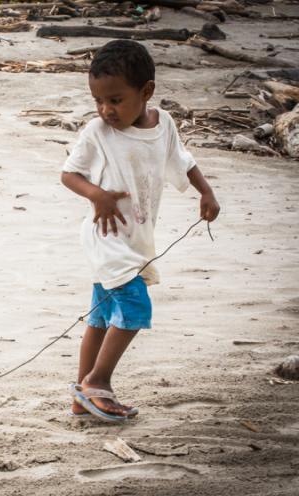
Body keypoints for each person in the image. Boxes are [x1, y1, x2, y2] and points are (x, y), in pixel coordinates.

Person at [60, 39, 220, 422]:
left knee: (101, 314)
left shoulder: (163, 124)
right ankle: (97, 382)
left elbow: (184, 161)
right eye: (98, 100)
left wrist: (207, 192)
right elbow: (69, 173)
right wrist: (97, 195)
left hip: (137, 239)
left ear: (146, 91)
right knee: (134, 307)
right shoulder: (98, 132)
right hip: (106, 237)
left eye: (115, 100)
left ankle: (82, 393)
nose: (105, 110)